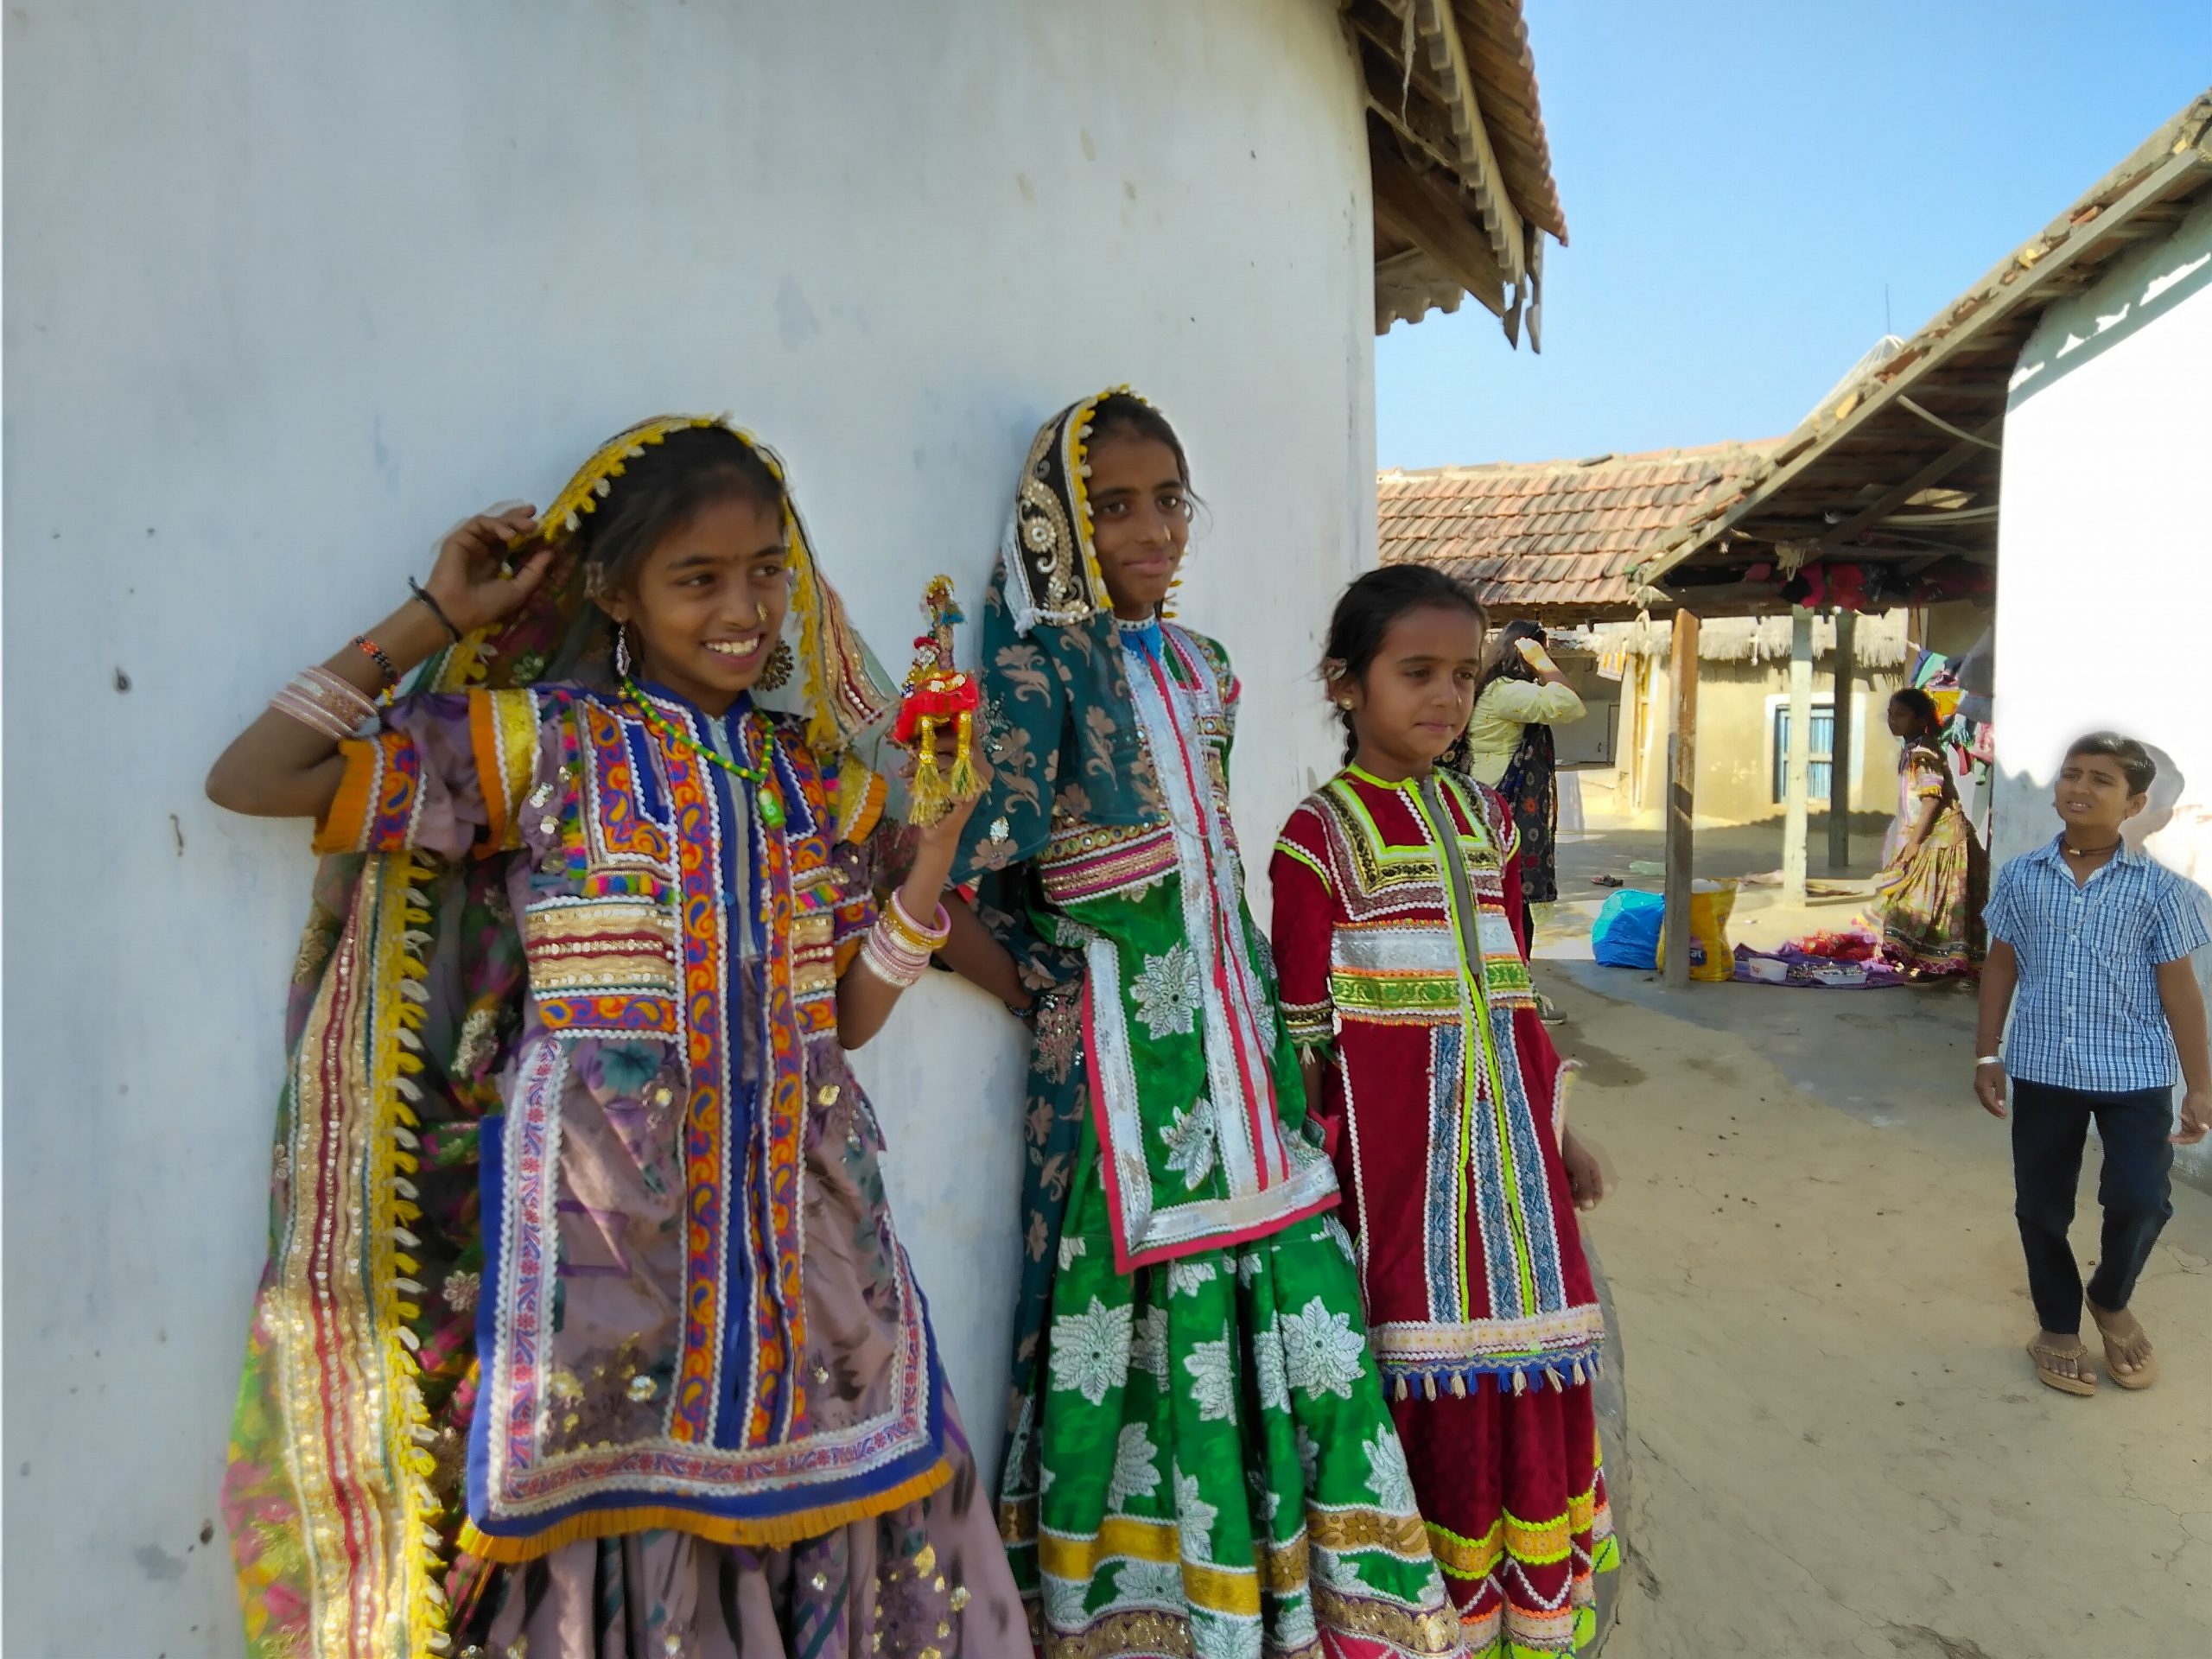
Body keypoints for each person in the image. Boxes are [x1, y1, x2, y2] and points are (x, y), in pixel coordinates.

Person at [207, 417, 1024, 1659]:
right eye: (698, 580)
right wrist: (430, 614)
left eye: (764, 573)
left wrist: (940, 858)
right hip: (604, 1249)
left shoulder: (815, 783)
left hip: (814, 1239)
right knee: (610, 1518)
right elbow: (258, 777)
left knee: (867, 1492)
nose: (744, 609)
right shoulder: (543, 747)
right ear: (616, 593)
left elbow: (846, 1022)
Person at [941, 390, 1456, 1659]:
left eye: (1167, 499)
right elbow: (970, 861)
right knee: (1144, 1325)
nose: (1151, 528)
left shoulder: (1203, 667)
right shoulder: (1035, 668)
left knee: (1296, 1283)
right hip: (1119, 1067)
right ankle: (1152, 1611)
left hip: (1237, 1037)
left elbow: (1208, 859)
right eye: (1112, 506)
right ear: (1059, 525)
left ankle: (1308, 1598)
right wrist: (1040, 986)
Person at [1269, 566, 1618, 1658]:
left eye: (1463, 676)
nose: (1446, 698)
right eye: (1415, 672)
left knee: (1539, 1348)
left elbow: (1512, 991)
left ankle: (1523, 1608)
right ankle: (1419, 1610)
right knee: (1421, 1362)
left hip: (1511, 1157)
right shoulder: (1314, 839)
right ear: (1344, 683)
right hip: (1397, 1173)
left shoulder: (1484, 821)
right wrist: (1316, 1183)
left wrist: (1560, 1132)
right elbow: (1301, 1039)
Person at [1974, 732, 2212, 1397]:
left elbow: (2180, 991)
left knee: (2141, 1199)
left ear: (2135, 803)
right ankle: (2056, 1325)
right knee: (2042, 1207)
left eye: (2101, 780)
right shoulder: (2022, 876)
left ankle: (2109, 1297)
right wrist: (1988, 1051)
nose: (2079, 787)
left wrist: (2201, 1087)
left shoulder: (2162, 892)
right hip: (2045, 1069)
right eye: (2071, 774)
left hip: (2133, 1074)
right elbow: (2001, 965)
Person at [1462, 620, 1583, 953]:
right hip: (1503, 799)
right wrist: (1542, 662)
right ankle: (1514, 981)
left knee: (1501, 892)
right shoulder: (1505, 691)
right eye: (1545, 650)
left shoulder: (1494, 686)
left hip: (1487, 795)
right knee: (1512, 893)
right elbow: (1569, 703)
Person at [1874, 688, 1983, 978]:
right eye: (1890, 714)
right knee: (1925, 902)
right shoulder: (1914, 748)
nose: (1892, 720)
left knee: (1920, 904)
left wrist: (1915, 842)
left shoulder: (1924, 753)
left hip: (1940, 839)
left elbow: (1932, 798)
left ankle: (1933, 963)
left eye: (1900, 715)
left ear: (1920, 718)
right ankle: (1927, 962)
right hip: (1929, 835)